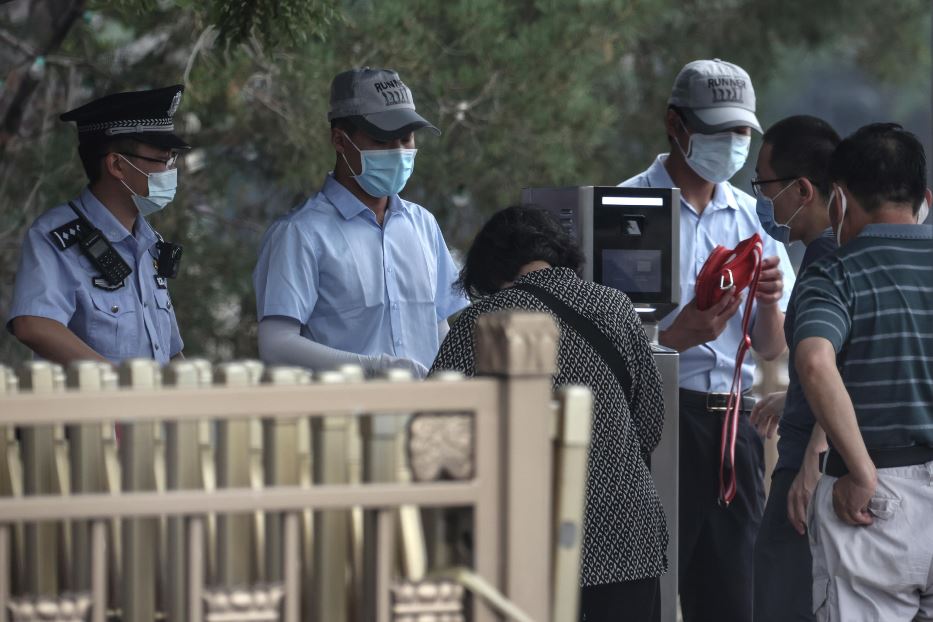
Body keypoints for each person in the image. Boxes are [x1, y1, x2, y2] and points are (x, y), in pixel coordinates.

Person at [619, 58, 795, 622]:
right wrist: (675, 336)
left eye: (741, 131)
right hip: (649, 427)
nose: (732, 144)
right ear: (676, 125)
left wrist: (768, 300)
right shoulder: (624, 211)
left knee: (733, 599)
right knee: (641, 594)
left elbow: (771, 349)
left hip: (732, 431)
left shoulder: (755, 220)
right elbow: (602, 343)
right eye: (719, 130)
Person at [431, 205, 667, 622]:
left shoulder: (480, 324)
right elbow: (648, 424)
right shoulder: (615, 306)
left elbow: (435, 443)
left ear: (491, 269)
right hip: (631, 533)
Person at [793, 123, 933, 621]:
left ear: (841, 201)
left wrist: (860, 470)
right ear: (925, 198)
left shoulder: (837, 273)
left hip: (876, 508)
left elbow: (814, 359)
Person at [253, 67, 468, 378]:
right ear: (340, 140)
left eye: (406, 139)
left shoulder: (423, 224)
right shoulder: (300, 234)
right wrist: (373, 368)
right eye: (383, 139)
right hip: (346, 421)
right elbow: (276, 345)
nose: (399, 152)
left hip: (427, 419)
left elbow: (437, 328)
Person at [8, 85, 189, 366]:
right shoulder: (56, 237)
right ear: (117, 165)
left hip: (155, 409)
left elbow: (170, 351)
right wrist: (116, 385)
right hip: (96, 410)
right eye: (162, 160)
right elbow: (33, 324)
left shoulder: (151, 241)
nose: (170, 172)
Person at [745, 115, 840, 622]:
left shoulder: (827, 263)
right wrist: (797, 394)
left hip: (810, 471)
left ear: (802, 189)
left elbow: (837, 365)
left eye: (764, 184)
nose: (761, 198)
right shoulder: (830, 256)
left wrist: (814, 459)